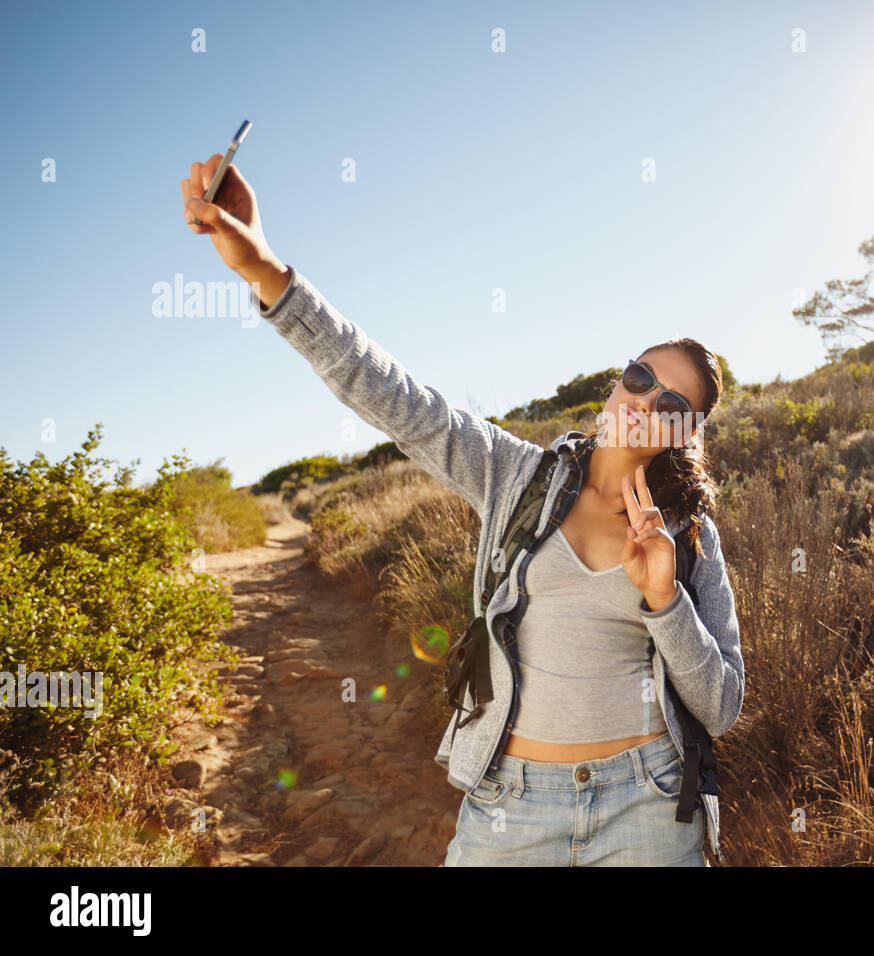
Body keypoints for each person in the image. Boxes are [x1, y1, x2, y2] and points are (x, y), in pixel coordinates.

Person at [181, 155, 745, 866]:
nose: (641, 401)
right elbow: (398, 398)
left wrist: (666, 601)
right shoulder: (515, 477)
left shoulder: (691, 537)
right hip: (513, 807)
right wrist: (267, 273)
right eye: (638, 377)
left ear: (683, 432)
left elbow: (722, 706)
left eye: (668, 403)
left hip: (651, 808)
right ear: (616, 381)